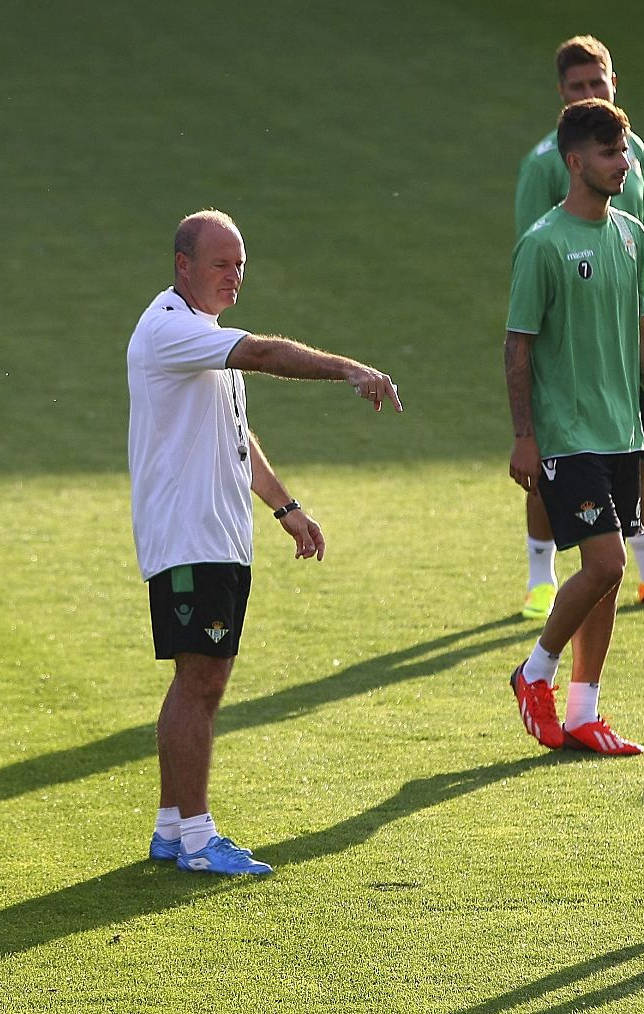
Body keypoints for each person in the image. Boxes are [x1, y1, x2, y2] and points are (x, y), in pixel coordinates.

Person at [129, 209, 403, 875]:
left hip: (216, 538)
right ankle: (197, 838)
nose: (234, 275)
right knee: (203, 681)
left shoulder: (201, 339)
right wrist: (348, 370)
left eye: (241, 265)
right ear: (182, 266)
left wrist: (286, 507)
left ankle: (172, 829)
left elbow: (234, 435)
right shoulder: (170, 328)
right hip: (191, 539)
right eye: (221, 263)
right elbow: (265, 353)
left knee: (197, 679)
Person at [504, 99, 644, 756]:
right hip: (567, 434)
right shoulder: (543, 244)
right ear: (576, 162)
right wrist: (524, 433)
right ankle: (534, 672)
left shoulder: (632, 235)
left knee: (602, 577)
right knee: (605, 563)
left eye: (624, 153)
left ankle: (583, 713)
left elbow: (640, 335)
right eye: (609, 154)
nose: (623, 165)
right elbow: (517, 346)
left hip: (620, 430)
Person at [512, 35, 644, 617]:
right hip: (569, 351)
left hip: (622, 328)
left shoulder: (632, 152)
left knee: (637, 449)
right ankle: (540, 578)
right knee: (560, 482)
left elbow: (642, 233)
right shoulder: (545, 167)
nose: (590, 92)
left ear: (613, 80)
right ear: (561, 92)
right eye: (578, 86)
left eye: (598, 82)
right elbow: (533, 256)